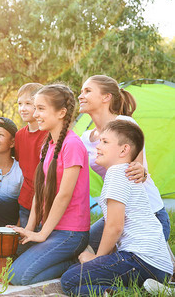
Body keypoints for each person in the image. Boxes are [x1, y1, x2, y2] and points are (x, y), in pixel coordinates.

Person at [0, 84, 90, 285]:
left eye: (41, 108)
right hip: (48, 227)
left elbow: (64, 195)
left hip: (70, 232)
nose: (35, 114)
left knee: (17, 276)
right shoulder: (48, 144)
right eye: (35, 108)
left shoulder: (72, 145)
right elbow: (41, 189)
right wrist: (29, 229)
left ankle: (73, 260)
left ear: (62, 112)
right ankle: (60, 258)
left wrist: (42, 234)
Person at [61, 120, 173, 296]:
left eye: (105, 142)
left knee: (69, 280)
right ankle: (146, 290)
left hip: (142, 260)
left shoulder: (117, 173)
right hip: (158, 267)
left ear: (124, 150)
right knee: (80, 283)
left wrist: (97, 259)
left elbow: (115, 226)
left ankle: (137, 294)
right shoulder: (124, 172)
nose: (98, 146)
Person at [78, 75, 170, 250]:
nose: (80, 96)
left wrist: (141, 170)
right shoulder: (85, 138)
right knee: (84, 246)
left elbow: (136, 169)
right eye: (81, 91)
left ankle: (163, 255)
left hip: (149, 214)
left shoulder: (125, 124)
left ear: (106, 97)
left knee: (122, 263)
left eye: (87, 91)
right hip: (115, 213)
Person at [15, 83, 48, 228]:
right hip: (25, 202)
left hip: (45, 202)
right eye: (20, 104)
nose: (23, 108)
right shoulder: (19, 135)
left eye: (28, 103)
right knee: (24, 245)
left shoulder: (48, 135)